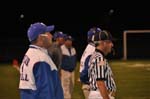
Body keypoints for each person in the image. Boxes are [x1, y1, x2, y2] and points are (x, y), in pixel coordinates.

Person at [19, 22, 64, 99]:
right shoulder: (40, 58)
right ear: (41, 37)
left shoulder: (30, 53)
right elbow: (46, 93)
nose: (51, 36)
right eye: (48, 33)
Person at [88, 30, 116, 99]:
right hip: (100, 95)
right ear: (103, 43)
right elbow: (100, 83)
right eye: (110, 42)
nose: (112, 45)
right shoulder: (99, 58)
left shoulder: (96, 55)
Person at [79, 27, 102, 99]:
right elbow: (87, 70)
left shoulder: (90, 47)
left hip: (87, 84)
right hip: (90, 85)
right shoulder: (93, 49)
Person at [60, 35, 77, 99]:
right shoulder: (61, 48)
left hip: (72, 71)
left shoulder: (73, 49)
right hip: (64, 71)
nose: (70, 42)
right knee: (65, 89)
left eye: (71, 41)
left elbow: (75, 59)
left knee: (71, 88)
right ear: (65, 41)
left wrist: (74, 66)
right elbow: (59, 61)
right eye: (69, 40)